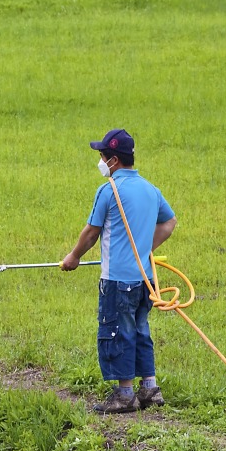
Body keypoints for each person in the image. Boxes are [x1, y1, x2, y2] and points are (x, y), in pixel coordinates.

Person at [60, 129, 177, 413]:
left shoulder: (108, 190)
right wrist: (142, 249)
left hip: (118, 280)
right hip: (146, 278)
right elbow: (169, 223)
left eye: (101, 156)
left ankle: (125, 395)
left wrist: (73, 257)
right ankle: (149, 388)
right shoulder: (151, 189)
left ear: (112, 160)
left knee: (118, 332)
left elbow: (91, 232)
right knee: (140, 330)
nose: (100, 162)